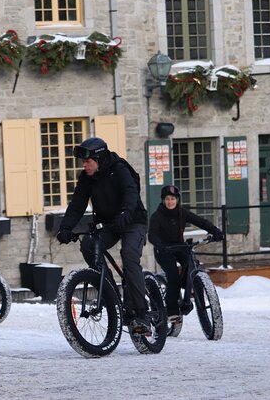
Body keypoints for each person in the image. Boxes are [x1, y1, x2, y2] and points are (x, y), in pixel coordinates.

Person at [56, 137, 151, 334]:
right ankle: (110, 295)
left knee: (129, 256)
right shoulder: (86, 178)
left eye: (88, 161)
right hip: (109, 224)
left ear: (99, 158)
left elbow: (131, 192)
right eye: (83, 162)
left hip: (132, 220)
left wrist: (126, 213)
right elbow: (77, 205)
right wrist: (65, 228)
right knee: (89, 245)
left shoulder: (120, 169)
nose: (84, 165)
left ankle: (142, 314)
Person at [148, 184, 224, 323]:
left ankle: (190, 288)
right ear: (163, 201)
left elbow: (201, 222)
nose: (170, 202)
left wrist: (216, 231)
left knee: (192, 264)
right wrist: (159, 245)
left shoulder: (182, 213)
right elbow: (152, 234)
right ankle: (172, 311)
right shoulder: (157, 216)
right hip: (163, 250)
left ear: (177, 200)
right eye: (167, 199)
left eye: (172, 199)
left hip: (180, 247)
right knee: (173, 277)